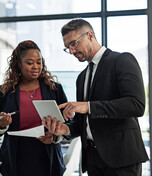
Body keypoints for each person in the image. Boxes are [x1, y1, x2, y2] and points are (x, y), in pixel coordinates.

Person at [44, 19, 149, 176]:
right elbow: (82, 123)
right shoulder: (82, 78)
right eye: (67, 48)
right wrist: (64, 129)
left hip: (122, 158)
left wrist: (88, 106)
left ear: (90, 35)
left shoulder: (122, 61)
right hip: (93, 160)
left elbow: (136, 105)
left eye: (74, 44)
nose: (71, 51)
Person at [0, 40, 67, 176]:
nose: (36, 67)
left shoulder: (54, 89)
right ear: (19, 64)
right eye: (30, 62)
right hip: (16, 156)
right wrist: (1, 124)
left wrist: (55, 136)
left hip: (47, 155)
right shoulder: (4, 91)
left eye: (39, 62)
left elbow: (68, 124)